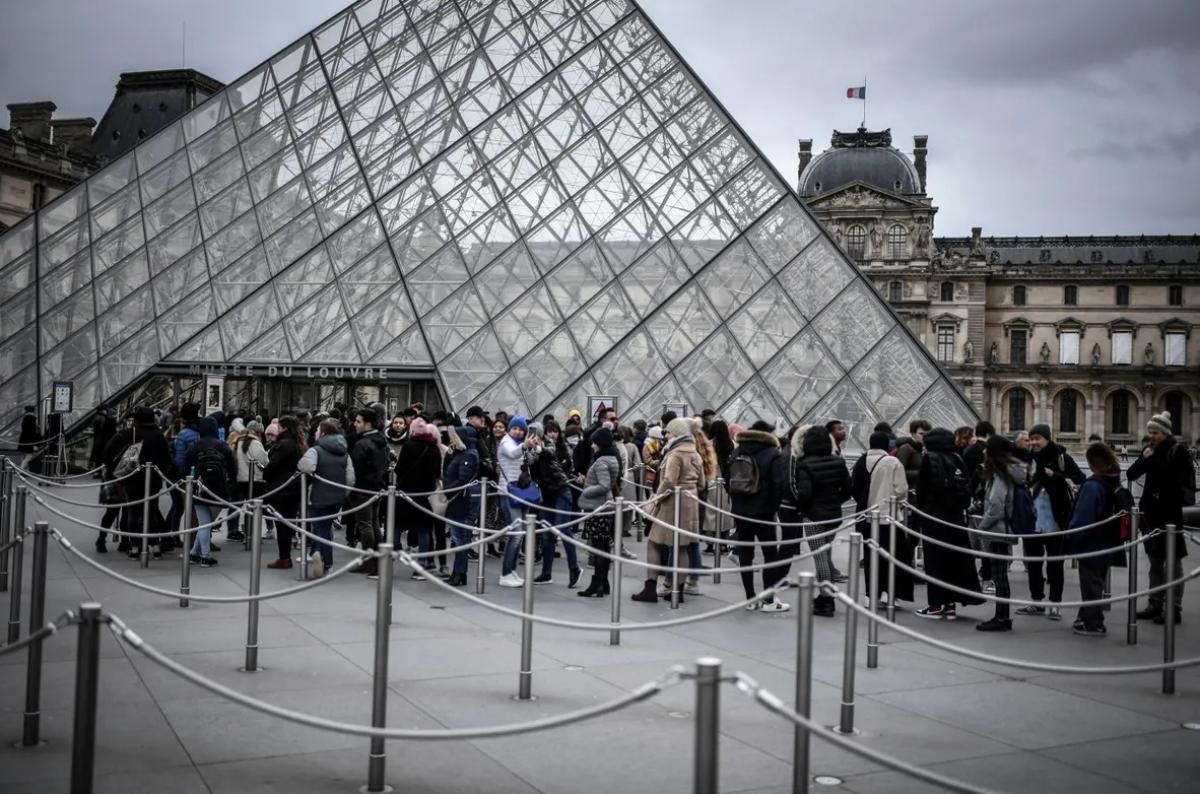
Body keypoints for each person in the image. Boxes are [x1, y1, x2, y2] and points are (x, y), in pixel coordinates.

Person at [913, 427, 987, 621]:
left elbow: (922, 488)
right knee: (952, 562)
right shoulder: (957, 458)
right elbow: (967, 486)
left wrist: (923, 511)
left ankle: (936, 605)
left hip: (934, 518)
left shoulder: (930, 458)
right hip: (955, 518)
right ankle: (950, 607)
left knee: (934, 562)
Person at [1017, 424, 1085, 621]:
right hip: (1032, 520)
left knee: (1055, 564)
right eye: (1031, 438)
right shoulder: (1027, 458)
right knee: (1034, 563)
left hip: (1056, 519)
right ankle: (1036, 600)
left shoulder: (1061, 458)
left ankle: (1055, 603)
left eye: (1038, 438)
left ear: (1047, 438)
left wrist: (1055, 476)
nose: (1034, 442)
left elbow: (1079, 479)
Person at [631, 418, 704, 603]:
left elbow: (669, 480)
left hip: (671, 504)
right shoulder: (695, 454)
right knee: (682, 547)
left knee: (654, 543)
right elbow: (702, 483)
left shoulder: (675, 454)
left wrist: (655, 499)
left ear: (677, 434)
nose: (666, 435)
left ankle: (650, 588)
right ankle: (677, 591)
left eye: (669, 432)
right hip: (690, 504)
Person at [1129, 411, 1192, 624]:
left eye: (1155, 432)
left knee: (1173, 564)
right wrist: (1144, 459)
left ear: (1165, 432)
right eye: (1150, 432)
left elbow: (1179, 480)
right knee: (1155, 563)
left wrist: (1154, 460)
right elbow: (1131, 475)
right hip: (1150, 515)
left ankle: (1174, 607)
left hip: (1170, 516)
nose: (1151, 436)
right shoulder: (1149, 451)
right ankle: (1155, 603)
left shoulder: (1178, 452)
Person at [1065, 443, 1128, 636]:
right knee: (1097, 581)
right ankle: (1085, 616)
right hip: (1108, 540)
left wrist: (1071, 537)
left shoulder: (1093, 485)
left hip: (1092, 541)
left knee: (1090, 582)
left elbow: (1083, 518)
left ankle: (1094, 623)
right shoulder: (1113, 479)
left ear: (1092, 463)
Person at [725, 421, 788, 612]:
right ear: (768, 434)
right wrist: (773, 507)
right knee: (770, 554)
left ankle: (750, 598)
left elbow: (728, 481)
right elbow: (779, 484)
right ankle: (769, 600)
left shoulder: (737, 451)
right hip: (764, 512)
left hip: (741, 510)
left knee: (746, 554)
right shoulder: (771, 453)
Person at [792, 425, 852, 616]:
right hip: (833, 515)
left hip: (813, 517)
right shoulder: (838, 462)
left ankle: (826, 599)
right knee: (826, 554)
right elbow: (848, 489)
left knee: (820, 558)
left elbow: (805, 494)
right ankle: (826, 595)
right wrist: (835, 502)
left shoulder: (805, 464)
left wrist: (803, 509)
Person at [973, 434, 1028, 631]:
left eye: (987, 448)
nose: (984, 451)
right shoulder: (1007, 472)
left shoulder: (1000, 475)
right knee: (1000, 575)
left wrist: (981, 528)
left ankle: (1002, 618)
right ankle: (1002, 616)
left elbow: (996, 506)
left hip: (998, 530)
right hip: (1003, 529)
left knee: (999, 576)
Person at [852, 430, 912, 606]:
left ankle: (871, 595)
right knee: (891, 555)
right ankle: (889, 593)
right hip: (889, 516)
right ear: (887, 444)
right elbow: (901, 489)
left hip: (866, 517)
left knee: (871, 556)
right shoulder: (892, 462)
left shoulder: (861, 461)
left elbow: (854, 488)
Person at [297, 419, 354, 578]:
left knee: (320, 529)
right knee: (325, 527)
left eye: (317, 431)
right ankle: (317, 553)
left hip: (317, 496)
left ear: (323, 433)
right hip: (337, 498)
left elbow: (305, 467)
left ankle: (326, 561)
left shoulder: (316, 450)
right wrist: (343, 494)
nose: (315, 433)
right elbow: (350, 478)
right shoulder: (345, 452)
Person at [120, 406, 175, 560]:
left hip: (132, 479)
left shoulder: (130, 434)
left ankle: (135, 547)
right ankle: (155, 546)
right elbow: (166, 460)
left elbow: (113, 453)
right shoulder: (158, 436)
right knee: (151, 512)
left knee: (132, 512)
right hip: (152, 480)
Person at [534, 420, 581, 588]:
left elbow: (556, 459)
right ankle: (546, 573)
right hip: (548, 494)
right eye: (549, 431)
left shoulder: (556, 448)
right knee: (547, 534)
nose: (552, 434)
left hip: (561, 492)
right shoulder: (535, 449)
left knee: (563, 529)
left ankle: (574, 567)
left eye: (555, 431)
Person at [394, 417, 443, 578]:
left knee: (397, 525)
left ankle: (389, 558)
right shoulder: (433, 448)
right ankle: (421, 567)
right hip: (424, 494)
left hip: (406, 492)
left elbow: (399, 469)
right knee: (423, 530)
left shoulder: (408, 446)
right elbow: (436, 473)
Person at [185, 417, 236, 568]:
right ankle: (205, 556)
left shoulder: (194, 446)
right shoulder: (223, 446)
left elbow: (184, 465)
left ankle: (195, 554)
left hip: (199, 489)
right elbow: (233, 469)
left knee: (204, 523)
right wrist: (231, 484)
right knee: (206, 523)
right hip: (219, 491)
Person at [578, 426, 622, 598]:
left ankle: (597, 583)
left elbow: (604, 485)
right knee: (603, 546)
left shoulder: (602, 461)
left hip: (599, 507)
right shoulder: (611, 458)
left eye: (594, 442)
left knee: (598, 547)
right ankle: (603, 582)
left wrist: (586, 489)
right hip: (605, 505)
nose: (592, 445)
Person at [498, 415, 541, 588]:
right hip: (508, 492)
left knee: (520, 533)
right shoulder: (506, 442)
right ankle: (506, 573)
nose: (517, 431)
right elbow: (511, 454)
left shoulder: (521, 443)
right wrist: (524, 445)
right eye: (515, 428)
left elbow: (534, 458)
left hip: (521, 492)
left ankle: (511, 570)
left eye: (521, 429)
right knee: (515, 534)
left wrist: (535, 446)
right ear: (510, 429)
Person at [349, 408, 389, 577]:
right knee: (373, 524)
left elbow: (355, 470)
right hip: (377, 487)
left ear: (368, 424)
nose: (355, 424)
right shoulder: (382, 442)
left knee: (366, 525)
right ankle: (377, 559)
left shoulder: (362, 444)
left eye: (358, 421)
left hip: (363, 488)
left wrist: (351, 488)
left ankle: (369, 561)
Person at [264, 416, 306, 570]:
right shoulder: (297, 444)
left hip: (281, 488)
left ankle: (284, 557)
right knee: (288, 522)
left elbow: (273, 465)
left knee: (282, 524)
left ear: (285, 428)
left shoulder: (284, 445)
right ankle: (285, 556)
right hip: (293, 488)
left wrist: (266, 474)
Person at [443, 425, 481, 587]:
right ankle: (458, 573)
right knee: (459, 538)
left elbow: (462, 480)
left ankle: (459, 573)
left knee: (461, 539)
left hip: (461, 501)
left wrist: (447, 493)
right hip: (456, 500)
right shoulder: (461, 453)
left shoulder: (469, 455)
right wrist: (449, 455)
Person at [228, 420, 269, 543]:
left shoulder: (238, 441)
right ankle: (251, 534)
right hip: (255, 479)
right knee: (254, 508)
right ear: (257, 432)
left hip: (241, 478)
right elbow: (263, 461)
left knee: (244, 506)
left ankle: (245, 533)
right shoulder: (255, 443)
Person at [896, 419, 930, 490]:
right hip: (909, 493)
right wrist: (921, 473)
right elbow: (899, 472)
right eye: (921, 434)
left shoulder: (924, 450)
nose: (925, 436)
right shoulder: (905, 448)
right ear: (913, 434)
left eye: (927, 434)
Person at [89, 406, 117, 477]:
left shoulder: (96, 417)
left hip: (98, 441)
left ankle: (97, 472)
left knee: (98, 458)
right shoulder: (105, 419)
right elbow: (109, 431)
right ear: (103, 410)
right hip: (104, 441)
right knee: (104, 457)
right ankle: (102, 472)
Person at [17, 406, 42, 470]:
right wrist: (35, 443)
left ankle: (26, 470)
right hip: (29, 440)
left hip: (23, 439)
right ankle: (21, 470)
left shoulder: (25, 418)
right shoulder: (32, 418)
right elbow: (33, 431)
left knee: (23, 455)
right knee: (29, 456)